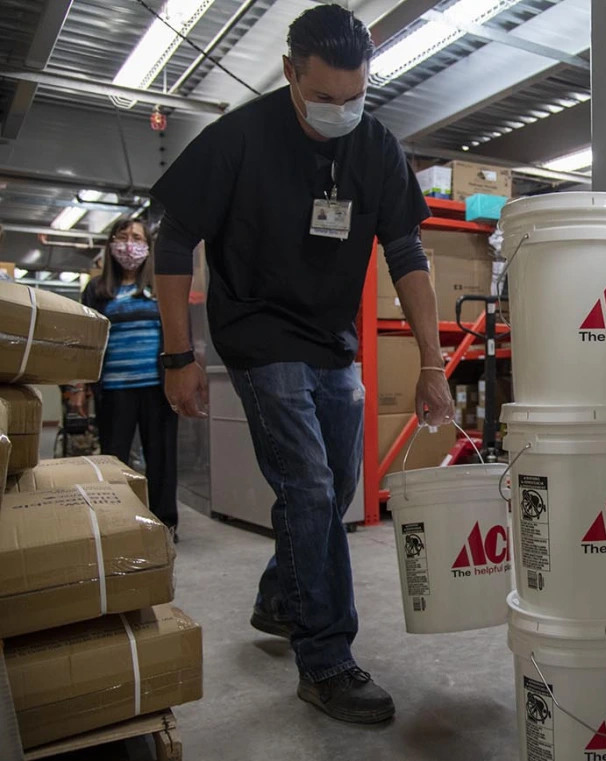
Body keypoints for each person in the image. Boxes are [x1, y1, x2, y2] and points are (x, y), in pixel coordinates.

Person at [150, 4, 452, 724]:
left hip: (329, 340)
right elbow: (173, 240)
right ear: (290, 73)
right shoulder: (239, 140)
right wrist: (177, 353)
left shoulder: (375, 148)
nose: (342, 111)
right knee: (313, 489)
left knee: (337, 486)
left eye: (356, 97)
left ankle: (281, 596)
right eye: (325, 97)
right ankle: (325, 659)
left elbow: (406, 253)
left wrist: (434, 363)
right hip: (257, 334)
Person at [79, 219, 179, 539]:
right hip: (114, 387)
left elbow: (175, 332)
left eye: (136, 237)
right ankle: (116, 520)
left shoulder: (160, 285)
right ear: (110, 245)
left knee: (161, 458)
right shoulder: (96, 291)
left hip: (156, 386)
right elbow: (88, 342)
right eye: (122, 237)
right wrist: (80, 387)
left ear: (148, 246)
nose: (129, 244)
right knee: (113, 458)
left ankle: (165, 522)